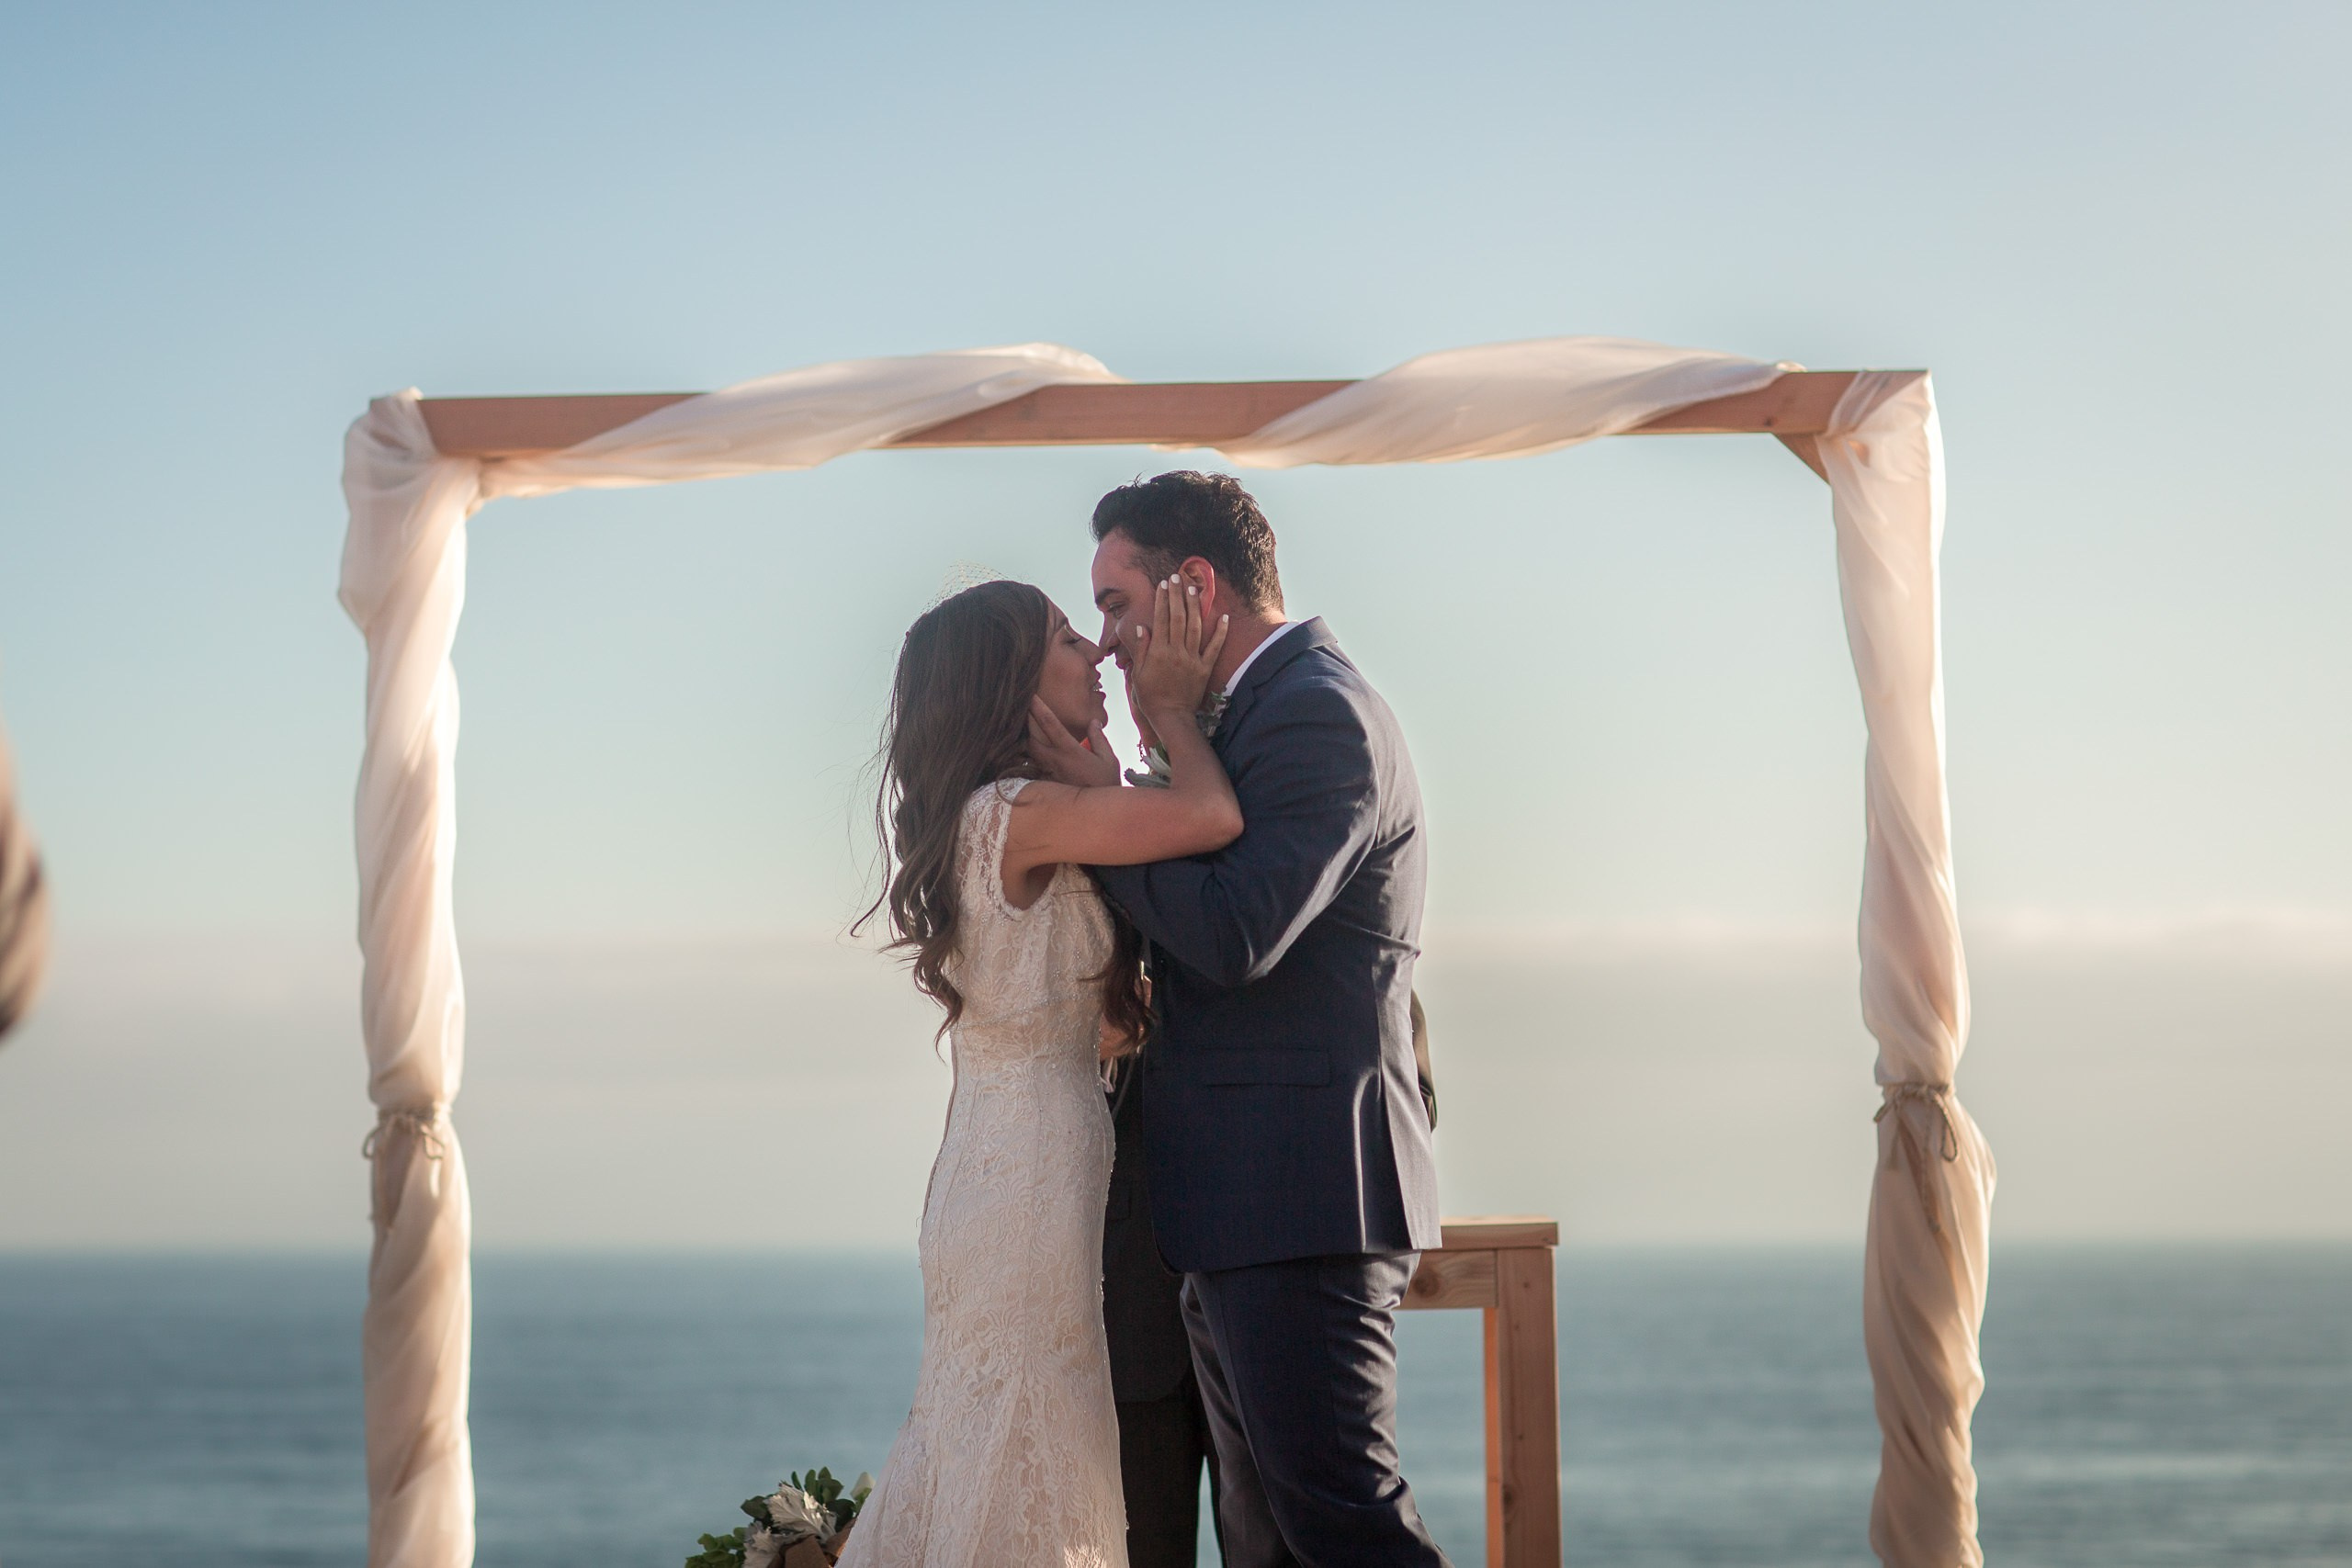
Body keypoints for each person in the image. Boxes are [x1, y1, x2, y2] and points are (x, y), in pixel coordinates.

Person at [1045, 471, 1450, 1567]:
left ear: (1196, 587)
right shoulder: (1256, 718)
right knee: (1270, 1543)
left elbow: (1233, 934)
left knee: (1345, 1525)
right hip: (1239, 1208)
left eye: (1119, 605)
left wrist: (1097, 803)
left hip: (1305, 1197)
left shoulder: (1319, 713)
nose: (1109, 641)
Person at [842, 576, 1238, 1568]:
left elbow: (1108, 1026)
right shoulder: (1023, 813)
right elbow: (1212, 816)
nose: (1097, 655)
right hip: (1022, 1178)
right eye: (1069, 638)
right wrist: (1173, 716)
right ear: (1011, 682)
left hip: (1010, 1161)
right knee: (1022, 1436)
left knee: (1006, 1434)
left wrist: (1102, 791)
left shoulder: (1008, 818)